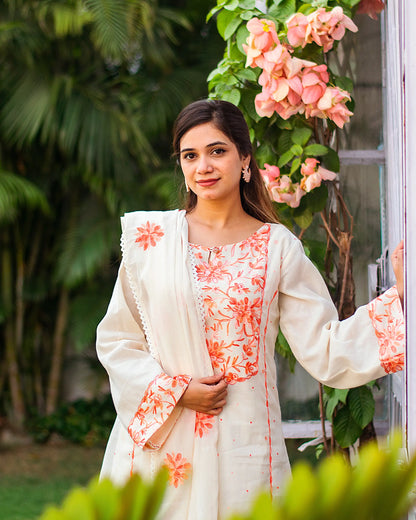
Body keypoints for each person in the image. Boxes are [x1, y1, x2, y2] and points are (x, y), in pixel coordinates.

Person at [96, 99, 405, 520]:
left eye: (217, 151)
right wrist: (178, 391)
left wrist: (402, 302)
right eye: (191, 155)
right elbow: (118, 340)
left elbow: (325, 347)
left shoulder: (277, 248)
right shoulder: (152, 241)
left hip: (243, 443)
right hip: (165, 447)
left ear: (244, 159)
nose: (203, 165)